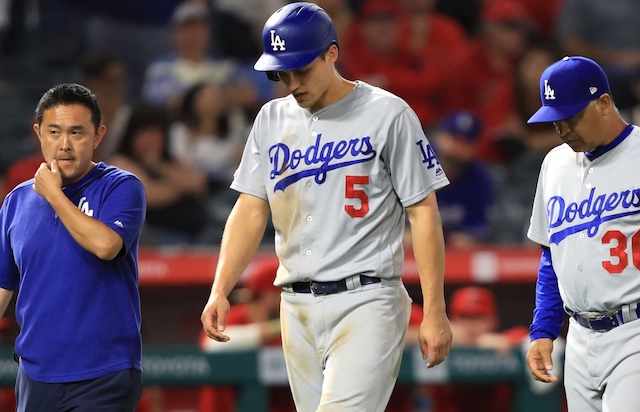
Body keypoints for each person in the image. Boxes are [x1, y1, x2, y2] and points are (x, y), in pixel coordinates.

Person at [200, 3, 453, 412]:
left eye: (301, 70)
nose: (292, 82)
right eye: (282, 73)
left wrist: (435, 310)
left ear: (331, 54)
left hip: (367, 298)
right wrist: (220, 288)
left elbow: (423, 211)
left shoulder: (387, 113)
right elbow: (250, 208)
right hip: (295, 303)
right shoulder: (270, 118)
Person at [0, 83, 146, 411]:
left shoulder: (121, 187)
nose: (64, 145)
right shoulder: (16, 201)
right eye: (54, 132)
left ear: (97, 136)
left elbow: (107, 245)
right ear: (38, 133)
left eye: (77, 133)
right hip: (35, 374)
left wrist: (53, 195)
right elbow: (2, 285)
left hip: (104, 373)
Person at [525, 56, 640, 411]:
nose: (563, 130)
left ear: (604, 103)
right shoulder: (555, 164)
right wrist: (543, 330)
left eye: (572, 117)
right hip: (578, 337)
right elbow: (551, 256)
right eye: (556, 121)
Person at [109, 103, 209, 246]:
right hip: (154, 235)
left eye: (157, 133)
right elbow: (148, 195)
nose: (152, 139)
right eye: (146, 133)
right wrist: (182, 187)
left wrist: (158, 166)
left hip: (194, 233)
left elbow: (199, 182)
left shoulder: (168, 161)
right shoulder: (120, 163)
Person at [429, 286, 529, 412]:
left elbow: (527, 338)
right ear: (451, 321)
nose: (471, 326)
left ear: (493, 320)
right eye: (464, 317)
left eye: (478, 318)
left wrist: (505, 342)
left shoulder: (500, 342)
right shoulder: (437, 343)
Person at [430, 110, 494, 248]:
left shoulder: (479, 179)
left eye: (465, 143)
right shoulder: (414, 166)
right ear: (439, 137)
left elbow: (475, 230)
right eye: (453, 139)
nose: (456, 149)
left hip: (455, 256)